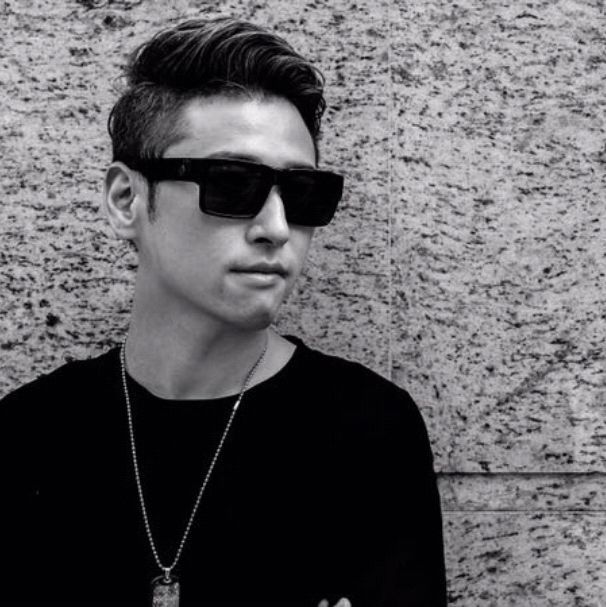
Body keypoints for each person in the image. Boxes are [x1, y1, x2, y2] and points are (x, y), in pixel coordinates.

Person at [0, 17, 447, 606]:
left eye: (303, 193)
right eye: (232, 183)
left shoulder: (367, 432)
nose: (276, 228)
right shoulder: (28, 436)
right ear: (126, 199)